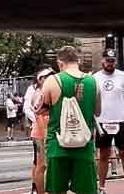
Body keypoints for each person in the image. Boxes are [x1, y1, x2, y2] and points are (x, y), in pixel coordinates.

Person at [40, 46, 100, 194]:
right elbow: (97, 111)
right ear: (78, 61)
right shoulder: (93, 82)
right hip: (84, 145)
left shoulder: (52, 81)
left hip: (58, 144)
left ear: (60, 62)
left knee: (56, 190)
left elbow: (40, 109)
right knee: (86, 190)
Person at [92, 48, 124, 194]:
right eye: (107, 61)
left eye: (112, 61)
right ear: (102, 61)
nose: (110, 64)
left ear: (115, 61)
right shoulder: (95, 78)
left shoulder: (123, 76)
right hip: (102, 121)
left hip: (121, 120)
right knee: (103, 155)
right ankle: (101, 188)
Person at [30, 68, 53, 194]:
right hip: (41, 131)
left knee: (48, 164)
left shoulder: (48, 91)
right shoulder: (39, 93)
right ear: (40, 80)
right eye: (46, 76)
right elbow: (37, 112)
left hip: (48, 130)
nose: (50, 78)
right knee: (42, 164)